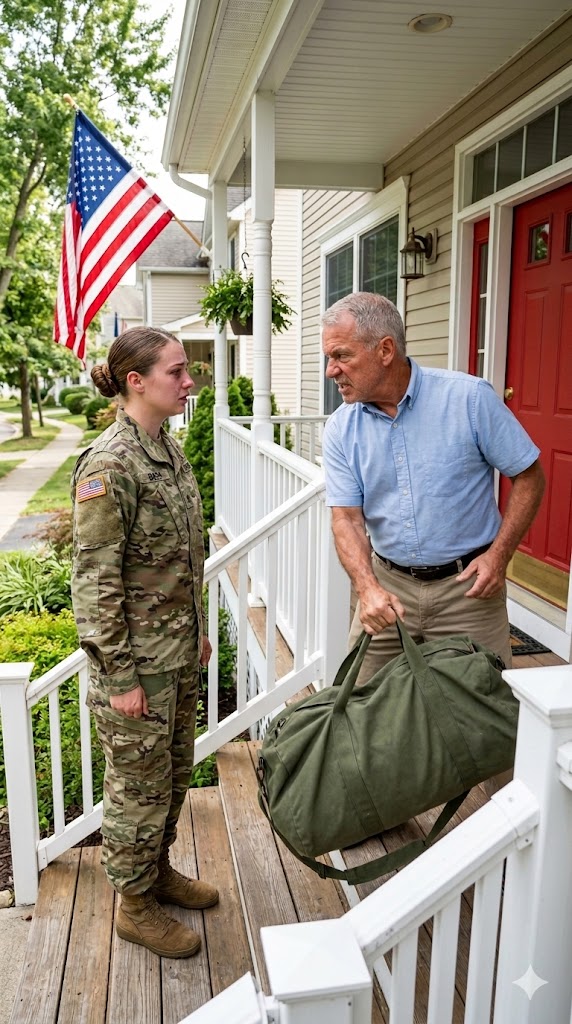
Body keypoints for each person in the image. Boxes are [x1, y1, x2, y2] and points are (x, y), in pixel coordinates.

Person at [70, 326, 218, 960]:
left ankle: (156, 873)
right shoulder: (111, 465)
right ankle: (133, 906)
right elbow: (95, 583)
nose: (189, 382)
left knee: (173, 776)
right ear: (137, 382)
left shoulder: (166, 449)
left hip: (176, 656)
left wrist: (199, 631)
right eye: (176, 372)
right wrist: (121, 677)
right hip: (139, 670)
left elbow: (183, 557)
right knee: (137, 789)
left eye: (187, 371)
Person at [321, 292, 545, 685]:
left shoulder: (469, 399)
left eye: (341, 356)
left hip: (468, 592)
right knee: (359, 703)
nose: (330, 370)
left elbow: (529, 477)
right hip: (388, 589)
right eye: (329, 358)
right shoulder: (341, 428)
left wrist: (499, 557)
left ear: (385, 350)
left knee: (482, 708)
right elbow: (347, 519)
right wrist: (367, 588)